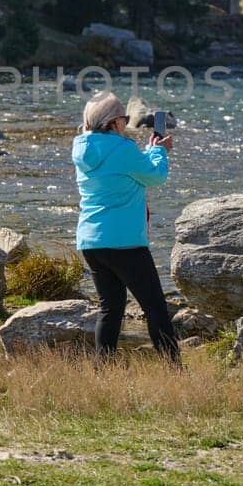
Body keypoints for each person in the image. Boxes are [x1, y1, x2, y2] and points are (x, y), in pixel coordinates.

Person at [72, 90, 180, 362]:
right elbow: (155, 176)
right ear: (113, 122)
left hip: (91, 241)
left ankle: (103, 369)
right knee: (155, 307)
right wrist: (159, 151)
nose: (127, 122)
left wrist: (149, 153)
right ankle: (174, 370)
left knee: (110, 309)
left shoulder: (82, 148)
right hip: (125, 242)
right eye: (124, 117)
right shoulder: (122, 149)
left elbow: (122, 171)